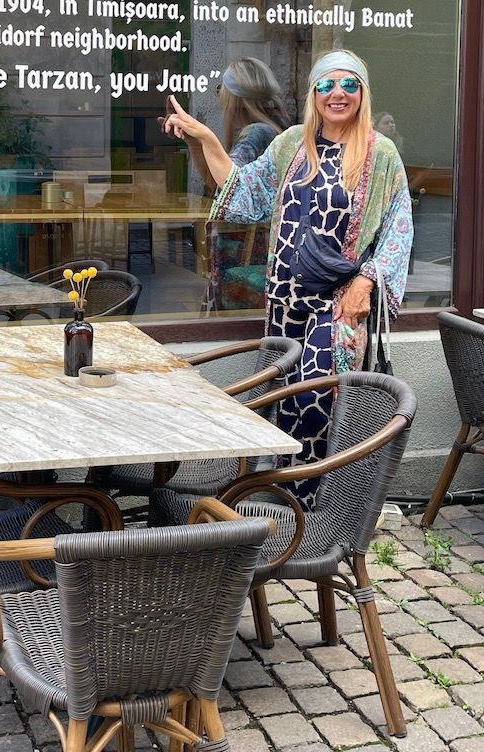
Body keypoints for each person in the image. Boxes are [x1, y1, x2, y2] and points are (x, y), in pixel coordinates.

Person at [164, 49, 413, 508]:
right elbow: (246, 192)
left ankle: (315, 502)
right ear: (314, 93)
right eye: (326, 85)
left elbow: (399, 228)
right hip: (283, 297)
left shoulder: (380, 153)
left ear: (362, 93)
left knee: (317, 394)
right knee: (283, 397)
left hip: (336, 300)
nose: (337, 94)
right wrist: (206, 138)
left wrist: (367, 282)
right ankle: (284, 495)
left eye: (349, 84)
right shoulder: (292, 143)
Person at [186, 57, 291, 310]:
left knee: (230, 317)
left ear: (233, 96)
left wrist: (205, 138)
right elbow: (218, 180)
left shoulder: (256, 132)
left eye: (220, 89)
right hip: (262, 246)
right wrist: (195, 144)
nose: (220, 97)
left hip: (245, 249)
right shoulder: (275, 128)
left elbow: (230, 185)